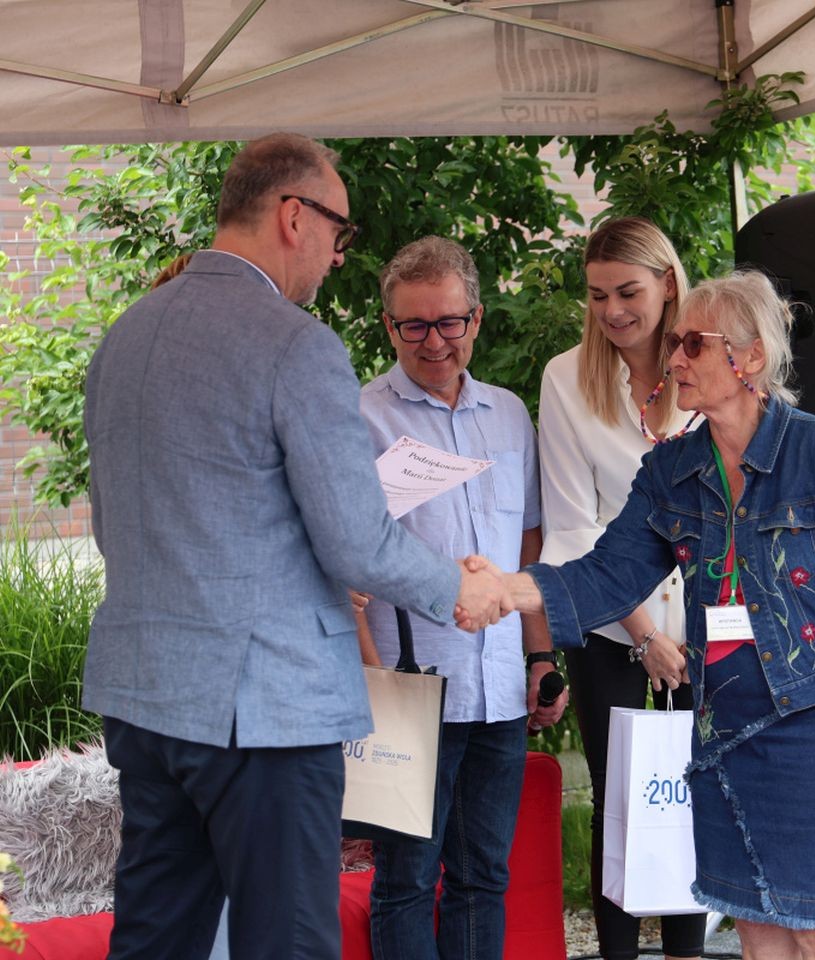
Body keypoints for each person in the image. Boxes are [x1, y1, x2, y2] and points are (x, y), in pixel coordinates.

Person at [82, 133, 508, 960]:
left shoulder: (123, 335)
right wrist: (460, 588)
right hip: (264, 711)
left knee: (156, 941)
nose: (338, 256)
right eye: (338, 232)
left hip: (145, 698)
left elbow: (113, 527)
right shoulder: (296, 344)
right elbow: (357, 541)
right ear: (292, 215)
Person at [497, 271, 815, 960]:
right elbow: (610, 575)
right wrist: (510, 591)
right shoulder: (671, 470)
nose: (673, 358)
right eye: (675, 342)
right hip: (723, 735)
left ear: (751, 357)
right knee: (758, 935)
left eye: (692, 343)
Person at [356, 237, 568, 960]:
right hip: (410, 690)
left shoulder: (508, 414)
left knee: (484, 878)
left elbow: (529, 545)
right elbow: (348, 561)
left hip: (499, 687)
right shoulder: (361, 419)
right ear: (389, 326)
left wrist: (540, 658)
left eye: (449, 322)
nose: (434, 341)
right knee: (406, 882)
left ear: (476, 319)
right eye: (414, 325)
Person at [537, 216, 707, 960]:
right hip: (613, 625)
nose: (612, 311)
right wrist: (647, 637)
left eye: (628, 292)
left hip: (707, 620)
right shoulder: (566, 378)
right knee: (620, 798)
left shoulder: (710, 363)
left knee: (695, 790)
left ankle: (688, 952)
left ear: (667, 284)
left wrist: (685, 635)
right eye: (598, 294)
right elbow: (573, 526)